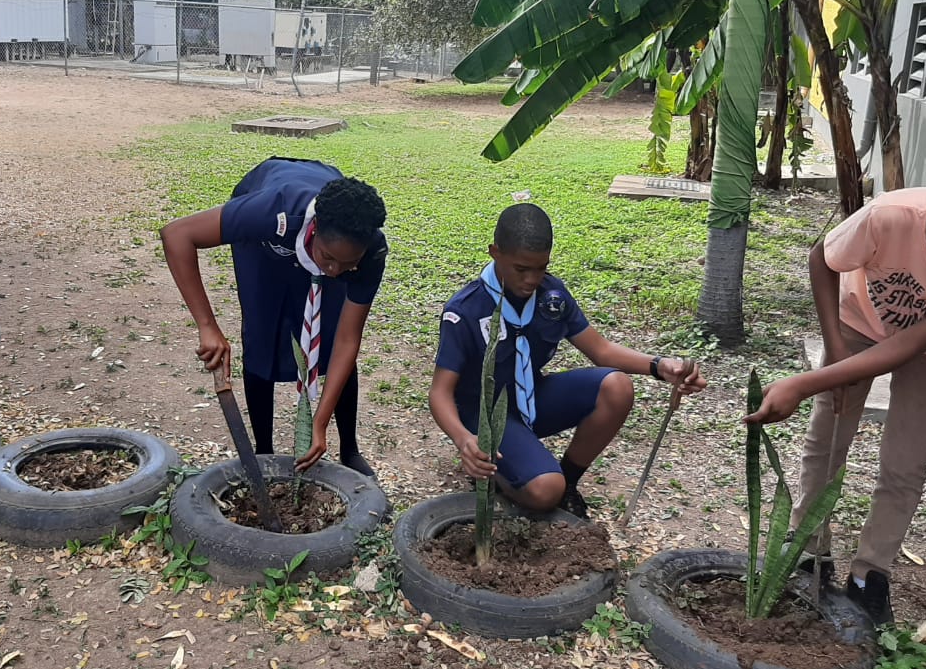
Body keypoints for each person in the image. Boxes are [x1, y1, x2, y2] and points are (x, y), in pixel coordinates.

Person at [747, 180, 926, 624]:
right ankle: (807, 547)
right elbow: (822, 257)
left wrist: (806, 381)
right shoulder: (892, 215)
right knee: (829, 435)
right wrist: (835, 346)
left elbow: (905, 348)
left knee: (907, 458)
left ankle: (871, 572)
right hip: (857, 321)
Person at [430, 203, 705, 517]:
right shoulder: (465, 310)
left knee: (616, 387)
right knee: (544, 489)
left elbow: (601, 350)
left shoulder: (552, 297)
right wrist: (464, 439)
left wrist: (659, 366)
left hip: (532, 399)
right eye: (522, 269)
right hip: (486, 415)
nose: (533, 278)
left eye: (542, 268)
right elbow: (440, 392)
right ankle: (497, 476)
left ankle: (568, 483)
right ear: (495, 252)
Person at [160, 158, 388, 476]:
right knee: (261, 335)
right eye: (329, 258)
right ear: (315, 228)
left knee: (333, 335)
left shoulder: (369, 250)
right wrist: (208, 327)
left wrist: (319, 424)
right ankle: (264, 450)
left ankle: (349, 449)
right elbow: (176, 234)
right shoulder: (272, 212)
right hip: (265, 248)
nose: (335, 271)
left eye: (347, 263)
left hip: (329, 231)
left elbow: (348, 340)